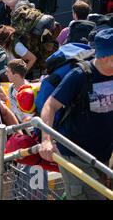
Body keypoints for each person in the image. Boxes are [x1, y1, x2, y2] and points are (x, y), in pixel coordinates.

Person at [39, 28, 113, 200]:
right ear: (104, 57)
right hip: (75, 154)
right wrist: (46, 140)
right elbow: (50, 105)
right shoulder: (80, 75)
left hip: (102, 153)